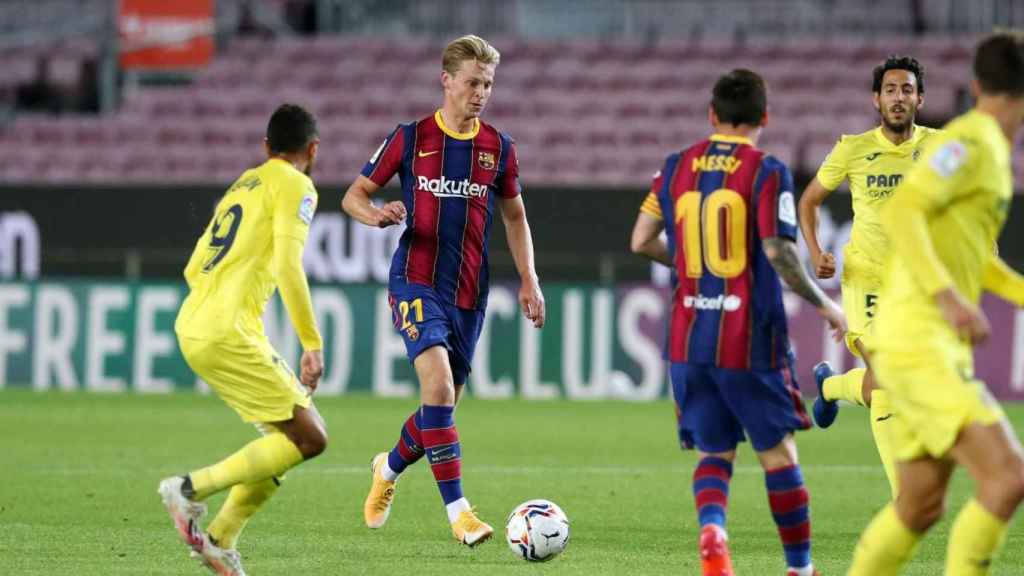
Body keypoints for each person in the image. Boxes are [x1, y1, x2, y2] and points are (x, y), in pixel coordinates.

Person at [630, 69, 845, 576]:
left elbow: (640, 240)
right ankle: (800, 569)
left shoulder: (673, 167)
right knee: (779, 455)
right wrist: (825, 305)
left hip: (687, 339)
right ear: (764, 117)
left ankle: (713, 529)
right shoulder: (767, 171)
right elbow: (780, 253)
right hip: (748, 340)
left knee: (715, 450)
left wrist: (688, 266)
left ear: (712, 116)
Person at [342, 34, 545, 547]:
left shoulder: (499, 148)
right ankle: (460, 514)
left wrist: (529, 277)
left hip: (469, 293)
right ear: (447, 80)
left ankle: (387, 468)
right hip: (415, 278)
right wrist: (377, 215)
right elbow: (353, 197)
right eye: (473, 82)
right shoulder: (409, 139)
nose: (481, 93)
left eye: (489, 84)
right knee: (437, 390)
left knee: (442, 406)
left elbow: (515, 215)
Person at [848, 33, 1024, 575]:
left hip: (924, 346)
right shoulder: (971, 142)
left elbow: (972, 256)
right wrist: (949, 299)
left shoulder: (984, 147)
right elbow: (904, 213)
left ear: (976, 85)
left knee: (919, 505)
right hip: (919, 345)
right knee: (1008, 477)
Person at [159, 103, 328, 576]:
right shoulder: (297, 185)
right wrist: (310, 342)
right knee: (312, 438)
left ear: (265, 146)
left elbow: (194, 265)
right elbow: (289, 266)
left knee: (285, 439)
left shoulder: (244, 183)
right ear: (312, 150)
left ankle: (219, 541)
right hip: (228, 329)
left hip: (194, 321)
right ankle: (189, 489)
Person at [798, 55, 941, 497]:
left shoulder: (941, 148)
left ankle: (832, 387)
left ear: (920, 97)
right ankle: (903, 495)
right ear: (876, 99)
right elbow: (810, 201)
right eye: (891, 90)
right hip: (866, 281)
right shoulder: (853, 149)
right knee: (888, 376)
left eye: (907, 90)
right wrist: (818, 250)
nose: (899, 98)